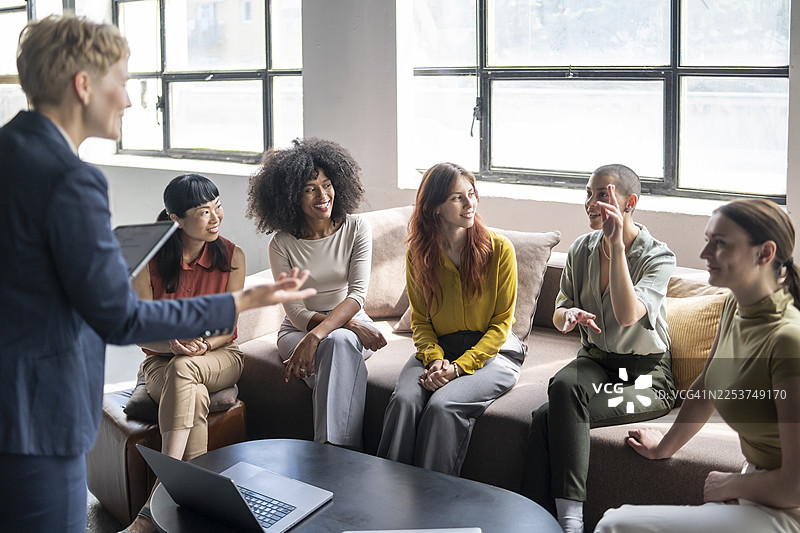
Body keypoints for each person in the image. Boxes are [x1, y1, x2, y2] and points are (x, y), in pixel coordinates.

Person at [0, 16, 314, 533]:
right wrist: (246, 297)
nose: (127, 100)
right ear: (83, 86)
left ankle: (161, 504)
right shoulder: (72, 180)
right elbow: (122, 320)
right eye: (120, 83)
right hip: (37, 414)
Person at [595, 198, 800, 533]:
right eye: (708, 240)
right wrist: (663, 447)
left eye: (719, 244)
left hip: (790, 509)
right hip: (761, 489)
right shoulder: (737, 306)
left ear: (764, 253)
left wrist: (730, 485)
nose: (705, 254)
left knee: (615, 525)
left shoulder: (788, 340)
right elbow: (705, 387)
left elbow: (796, 484)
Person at [521, 164, 676, 533]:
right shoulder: (581, 249)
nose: (590, 203)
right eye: (588, 193)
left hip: (645, 377)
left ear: (629, 202)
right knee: (562, 387)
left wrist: (617, 247)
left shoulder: (657, 257)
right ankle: (544, 521)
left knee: (548, 418)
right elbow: (558, 316)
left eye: (601, 195)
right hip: (596, 363)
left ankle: (560, 523)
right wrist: (568, 314)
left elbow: (626, 316)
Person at [376, 162, 525, 476]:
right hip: (439, 350)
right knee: (404, 401)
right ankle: (389, 495)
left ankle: (432, 502)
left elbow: (501, 324)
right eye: (458, 197)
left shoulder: (500, 250)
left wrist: (458, 368)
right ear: (434, 208)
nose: (470, 203)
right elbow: (421, 321)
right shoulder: (418, 253)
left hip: (494, 354)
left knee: (443, 405)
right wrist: (434, 360)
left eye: (471, 194)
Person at [120, 174, 246, 533]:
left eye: (218, 206)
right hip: (161, 361)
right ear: (175, 218)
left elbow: (226, 329)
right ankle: (195, 518)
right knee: (188, 383)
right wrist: (172, 343)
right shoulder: (148, 262)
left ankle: (152, 507)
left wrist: (202, 345)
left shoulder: (232, 256)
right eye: (204, 211)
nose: (216, 217)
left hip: (221, 356)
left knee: (187, 367)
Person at [247, 137, 386, 450]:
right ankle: (345, 455)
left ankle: (328, 453)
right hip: (299, 331)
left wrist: (320, 335)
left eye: (327, 184)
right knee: (341, 341)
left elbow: (357, 295)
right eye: (310, 188)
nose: (323, 196)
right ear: (291, 197)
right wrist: (335, 328)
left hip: (340, 322)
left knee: (337, 344)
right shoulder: (281, 244)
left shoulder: (356, 228)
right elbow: (295, 312)